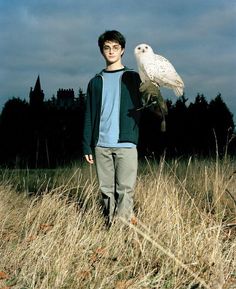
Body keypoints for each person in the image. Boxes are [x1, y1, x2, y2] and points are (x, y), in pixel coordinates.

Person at [82, 30, 160, 227]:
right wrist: (86, 145)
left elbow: (149, 104)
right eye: (107, 47)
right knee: (106, 190)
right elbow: (89, 114)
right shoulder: (95, 82)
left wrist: (154, 91)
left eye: (115, 47)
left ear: (123, 50)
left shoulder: (134, 77)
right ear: (102, 51)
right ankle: (110, 226)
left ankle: (122, 229)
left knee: (125, 189)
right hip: (101, 144)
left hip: (126, 142)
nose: (111, 51)